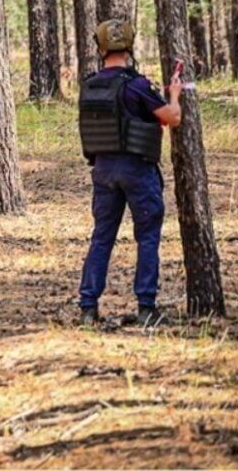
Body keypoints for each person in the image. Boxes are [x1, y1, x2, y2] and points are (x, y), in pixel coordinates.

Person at [77, 19, 184, 328]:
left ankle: (88, 308)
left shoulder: (90, 85)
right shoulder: (138, 86)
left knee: (101, 238)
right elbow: (172, 118)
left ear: (101, 50)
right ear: (129, 48)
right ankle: (146, 307)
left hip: (103, 170)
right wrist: (174, 93)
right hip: (137, 170)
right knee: (147, 237)